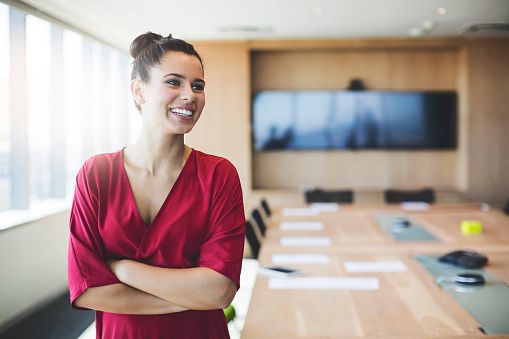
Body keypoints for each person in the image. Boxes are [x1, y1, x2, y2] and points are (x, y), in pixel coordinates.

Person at [67, 32, 246, 338]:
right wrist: (192, 294)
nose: (190, 94)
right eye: (174, 82)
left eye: (198, 85)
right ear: (139, 91)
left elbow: (219, 291)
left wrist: (124, 270)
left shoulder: (219, 175)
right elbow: (87, 292)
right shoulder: (95, 174)